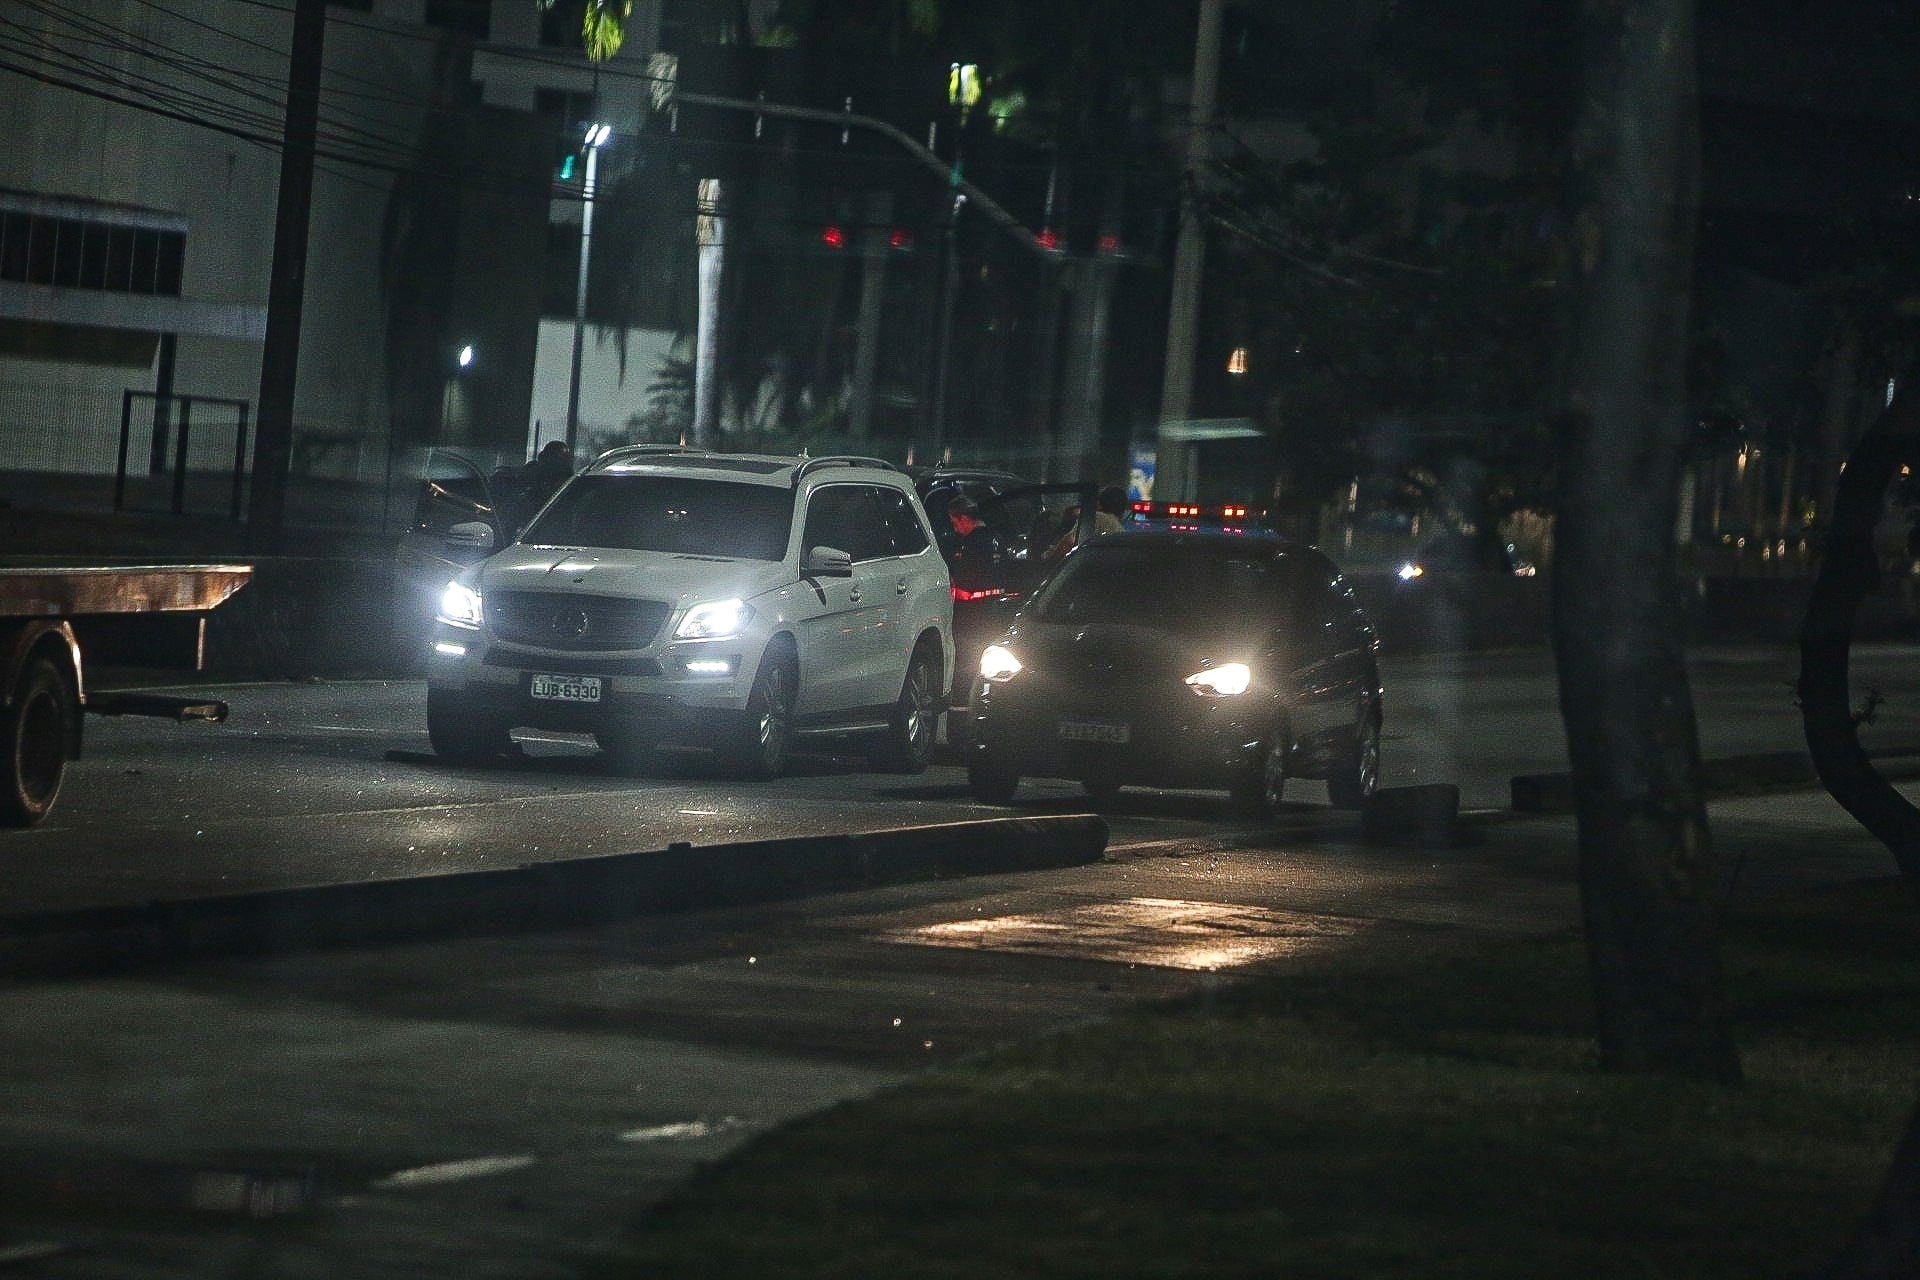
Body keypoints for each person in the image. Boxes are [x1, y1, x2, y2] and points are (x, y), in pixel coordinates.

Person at [1043, 485, 1127, 560]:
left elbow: (1070, 541)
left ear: (1099, 503)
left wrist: (1051, 558)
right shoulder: (1120, 530)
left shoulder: (1098, 517)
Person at [941, 494, 1001, 593]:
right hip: (999, 601)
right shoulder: (998, 538)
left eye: (954, 523)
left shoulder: (971, 542)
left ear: (964, 518)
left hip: (976, 604)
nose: (955, 529)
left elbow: (963, 576)